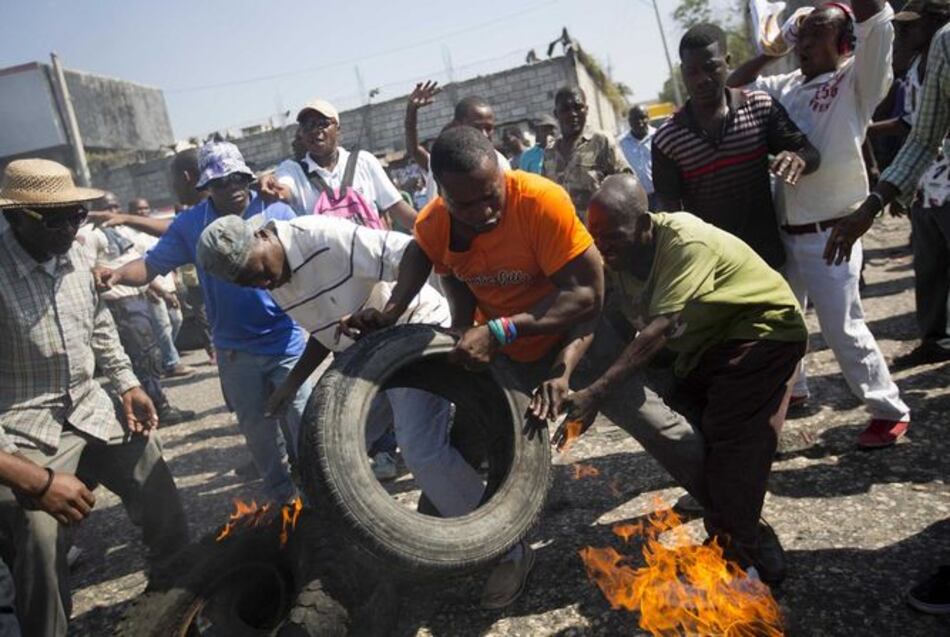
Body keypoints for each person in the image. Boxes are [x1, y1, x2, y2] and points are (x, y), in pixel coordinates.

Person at [342, 126, 715, 606]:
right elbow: (425, 252)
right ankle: (491, 549)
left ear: (501, 173)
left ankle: (727, 503)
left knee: (651, 422)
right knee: (481, 446)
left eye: (491, 194)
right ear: (443, 195)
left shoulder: (541, 201)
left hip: (577, 336)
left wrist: (501, 332)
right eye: (468, 204)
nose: (486, 211)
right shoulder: (438, 220)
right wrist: (392, 312)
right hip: (508, 355)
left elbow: (588, 296)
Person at [568, 174, 806, 583]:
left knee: (731, 436)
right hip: (704, 346)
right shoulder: (615, 260)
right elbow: (597, 318)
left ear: (645, 225)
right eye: (597, 237)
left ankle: (754, 554)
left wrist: (597, 391)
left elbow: (655, 334)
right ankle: (729, 524)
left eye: (614, 236)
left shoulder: (683, 242)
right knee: (693, 429)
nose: (603, 247)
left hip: (761, 330)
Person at [0, 159, 188, 636]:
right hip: (21, 431)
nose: (71, 228)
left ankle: (177, 597)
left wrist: (126, 383)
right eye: (56, 219)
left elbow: (100, 328)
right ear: (16, 216)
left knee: (152, 470)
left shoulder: (79, 257)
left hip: (88, 408)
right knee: (38, 535)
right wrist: (38, 482)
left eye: (78, 215)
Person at [728, 0, 912, 448]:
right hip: (786, 232)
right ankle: (799, 390)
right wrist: (775, 47)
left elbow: (875, 19)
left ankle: (889, 409)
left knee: (842, 328)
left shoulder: (856, 80)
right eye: (802, 34)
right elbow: (733, 86)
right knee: (784, 322)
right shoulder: (787, 83)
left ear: (844, 45)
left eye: (817, 34)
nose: (806, 43)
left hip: (835, 232)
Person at [96, 142, 311, 503]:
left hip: (286, 339)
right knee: (259, 434)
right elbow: (151, 266)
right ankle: (283, 501)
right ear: (206, 187)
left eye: (240, 178)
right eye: (223, 182)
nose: (234, 187)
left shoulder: (276, 209)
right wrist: (117, 274)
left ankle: (321, 491)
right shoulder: (192, 224)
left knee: (305, 420)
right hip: (235, 351)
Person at [652, 23, 821, 270]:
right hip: (712, 269)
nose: (702, 80)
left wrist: (799, 159)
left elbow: (810, 153)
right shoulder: (668, 139)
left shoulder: (760, 108)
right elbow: (670, 213)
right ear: (683, 72)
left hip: (767, 260)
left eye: (711, 68)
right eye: (692, 72)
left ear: (727, 61)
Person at [79, 196, 194, 426]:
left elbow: (137, 264)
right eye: (108, 207)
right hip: (121, 304)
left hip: (138, 298)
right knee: (141, 358)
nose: (113, 211)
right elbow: (89, 270)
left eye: (115, 206)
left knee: (151, 355)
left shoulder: (121, 233)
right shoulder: (92, 236)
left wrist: (158, 290)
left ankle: (158, 403)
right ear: (98, 211)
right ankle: (155, 408)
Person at [880, 0, 950, 369]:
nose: (903, 34)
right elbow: (920, 131)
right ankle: (935, 339)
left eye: (911, 26)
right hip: (927, 184)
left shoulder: (945, 46)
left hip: (944, 181)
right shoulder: (915, 71)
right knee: (929, 268)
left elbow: (915, 131)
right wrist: (900, 187)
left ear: (937, 20)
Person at [263, 99, 417, 231]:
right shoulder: (293, 170)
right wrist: (273, 187)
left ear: (338, 129)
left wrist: (433, 230)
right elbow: (282, 188)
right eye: (308, 126)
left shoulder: (363, 162)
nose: (316, 131)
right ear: (301, 134)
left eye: (322, 123)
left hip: (374, 262)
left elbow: (398, 209)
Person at [403, 80, 511, 201]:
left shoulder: (499, 163)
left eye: (489, 128)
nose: (484, 134)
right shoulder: (443, 159)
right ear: (458, 125)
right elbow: (414, 150)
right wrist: (411, 111)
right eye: (476, 127)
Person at [123, 197, 195, 378]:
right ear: (131, 211)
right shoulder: (127, 235)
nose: (143, 212)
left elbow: (166, 255)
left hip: (167, 284)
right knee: (162, 325)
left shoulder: (151, 231)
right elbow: (137, 264)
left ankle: (160, 357)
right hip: (151, 288)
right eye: (139, 209)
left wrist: (174, 277)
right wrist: (152, 289)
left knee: (176, 320)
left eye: (145, 208)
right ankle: (171, 363)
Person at [542, 87, 632, 222]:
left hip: (599, 232)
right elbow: (545, 193)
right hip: (565, 233)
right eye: (565, 109)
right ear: (556, 114)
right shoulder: (549, 152)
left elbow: (627, 182)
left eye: (578, 107)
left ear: (587, 109)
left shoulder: (602, 141)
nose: (573, 114)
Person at [618, 105, 657, 209]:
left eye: (643, 117)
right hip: (636, 199)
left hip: (660, 195)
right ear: (629, 121)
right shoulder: (621, 143)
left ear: (648, 118)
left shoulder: (658, 136)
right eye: (635, 119)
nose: (640, 122)